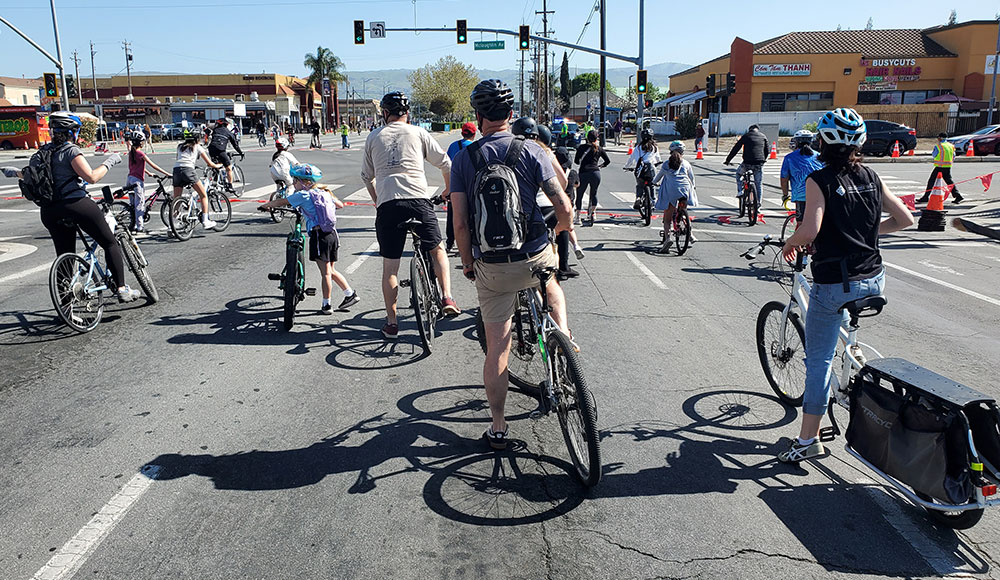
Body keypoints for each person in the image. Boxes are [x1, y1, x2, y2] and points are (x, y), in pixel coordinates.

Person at [777, 108, 914, 463]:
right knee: (842, 327)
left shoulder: (818, 180)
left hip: (837, 283)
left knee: (818, 359)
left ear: (823, 142)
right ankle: (854, 362)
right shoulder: (871, 174)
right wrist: (868, 235)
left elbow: (810, 231)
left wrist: (790, 244)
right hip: (874, 278)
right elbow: (906, 219)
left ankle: (808, 439)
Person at [450, 79, 575, 450]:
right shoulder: (532, 151)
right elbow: (564, 208)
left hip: (493, 266)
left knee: (497, 349)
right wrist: (556, 234)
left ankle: (500, 426)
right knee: (551, 284)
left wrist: (470, 263)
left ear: (477, 116)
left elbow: (459, 223)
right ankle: (563, 335)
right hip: (534, 253)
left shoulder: (463, 159)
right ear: (511, 113)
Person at [0, 112, 141, 302]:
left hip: (49, 211)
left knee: (65, 254)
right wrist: (110, 161)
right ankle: (122, 289)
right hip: (75, 204)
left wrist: (14, 172)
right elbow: (90, 177)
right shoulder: (70, 150)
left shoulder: (41, 154)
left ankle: (66, 303)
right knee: (109, 242)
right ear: (73, 132)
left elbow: (30, 176)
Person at [361, 91, 460, 340]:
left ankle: (392, 323)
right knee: (437, 249)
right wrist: (447, 191)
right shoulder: (419, 133)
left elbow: (366, 175)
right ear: (407, 114)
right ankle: (446, 295)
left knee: (390, 267)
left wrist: (378, 201)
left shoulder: (374, 136)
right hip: (418, 200)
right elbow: (446, 163)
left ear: (385, 113)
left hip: (389, 206)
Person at [258, 163, 359, 313]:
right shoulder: (325, 192)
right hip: (332, 234)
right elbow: (340, 205)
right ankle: (349, 294)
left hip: (319, 236)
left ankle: (327, 305)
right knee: (331, 269)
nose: (293, 183)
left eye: (295, 180)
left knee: (325, 273)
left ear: (305, 182)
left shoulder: (303, 195)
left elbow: (282, 202)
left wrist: (266, 205)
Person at [652, 141, 699, 253]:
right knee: (684, 211)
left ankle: (667, 238)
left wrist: (654, 182)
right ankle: (690, 234)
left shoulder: (666, 164)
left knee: (667, 218)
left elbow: (658, 177)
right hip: (685, 190)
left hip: (671, 191)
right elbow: (692, 178)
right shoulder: (686, 163)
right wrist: (694, 187)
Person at [172, 129, 223, 230]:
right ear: (196, 139)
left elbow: (179, 158)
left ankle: (172, 225)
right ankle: (205, 221)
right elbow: (209, 163)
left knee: (176, 199)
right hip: (188, 171)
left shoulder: (179, 146)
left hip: (176, 170)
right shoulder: (198, 147)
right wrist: (218, 166)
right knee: (203, 195)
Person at [126, 131, 170, 234]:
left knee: (133, 204)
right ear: (140, 142)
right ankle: (139, 226)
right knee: (140, 204)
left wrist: (148, 172)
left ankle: (132, 223)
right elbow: (153, 164)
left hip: (129, 179)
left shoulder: (131, 153)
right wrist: (167, 173)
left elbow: (133, 167)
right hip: (137, 181)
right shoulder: (140, 153)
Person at [445, 122, 478, 253]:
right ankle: (466, 245)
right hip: (470, 186)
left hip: (455, 185)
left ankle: (449, 242)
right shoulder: (476, 147)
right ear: (474, 134)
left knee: (452, 215)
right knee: (469, 216)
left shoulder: (453, 146)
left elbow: (447, 164)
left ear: (462, 133)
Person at [780, 130, 824, 223]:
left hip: (801, 196)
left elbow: (784, 179)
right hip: (819, 195)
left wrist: (785, 195)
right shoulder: (819, 156)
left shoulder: (789, 157)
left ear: (796, 142)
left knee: (801, 224)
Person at [723, 124, 768, 206]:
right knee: (759, 184)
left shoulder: (746, 136)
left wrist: (728, 160)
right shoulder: (763, 136)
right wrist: (763, 160)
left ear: (749, 130)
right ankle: (758, 205)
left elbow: (736, 148)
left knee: (738, 174)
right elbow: (767, 151)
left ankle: (740, 191)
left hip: (747, 163)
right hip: (759, 163)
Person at [573, 130, 611, 223]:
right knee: (594, 193)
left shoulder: (581, 148)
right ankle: (592, 213)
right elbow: (607, 161)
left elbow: (576, 161)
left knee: (580, 194)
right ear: (596, 138)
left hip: (584, 172)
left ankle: (578, 217)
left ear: (587, 138)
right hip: (595, 173)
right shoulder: (599, 148)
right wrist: (599, 166)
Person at [919, 132, 963, 204]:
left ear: (940, 138)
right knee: (949, 182)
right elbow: (954, 155)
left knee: (931, 181)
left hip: (939, 166)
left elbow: (934, 155)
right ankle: (958, 195)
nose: (937, 139)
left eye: (938, 137)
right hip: (948, 166)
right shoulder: (951, 146)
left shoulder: (939, 146)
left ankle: (925, 197)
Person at [624, 129, 662, 211]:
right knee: (652, 184)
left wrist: (626, 166)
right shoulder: (654, 147)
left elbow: (631, 159)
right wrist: (658, 162)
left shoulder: (637, 147)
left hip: (640, 169)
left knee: (640, 185)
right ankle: (653, 200)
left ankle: (638, 198)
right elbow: (658, 158)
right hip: (651, 168)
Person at [206, 118, 244, 193]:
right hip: (220, 150)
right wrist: (240, 152)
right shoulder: (228, 132)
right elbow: (235, 145)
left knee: (216, 165)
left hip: (211, 149)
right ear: (226, 125)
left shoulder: (215, 130)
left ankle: (215, 180)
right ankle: (230, 186)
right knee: (228, 168)